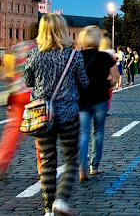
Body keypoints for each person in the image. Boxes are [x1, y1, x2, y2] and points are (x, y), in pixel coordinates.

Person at [24, 14, 89, 215]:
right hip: (68, 113)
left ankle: (47, 209)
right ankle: (60, 200)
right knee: (71, 159)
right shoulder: (73, 56)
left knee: (47, 161)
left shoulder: (34, 55)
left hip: (42, 114)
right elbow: (84, 82)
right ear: (62, 31)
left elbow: (28, 81)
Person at [77, 26, 118, 180]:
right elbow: (115, 78)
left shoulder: (77, 56)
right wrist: (105, 86)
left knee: (83, 134)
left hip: (82, 100)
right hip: (100, 98)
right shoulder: (105, 57)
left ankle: (82, 169)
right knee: (98, 133)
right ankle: (95, 166)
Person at [0, 40, 37, 179]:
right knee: (42, 130)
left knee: (12, 131)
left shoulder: (19, 47)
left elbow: (10, 74)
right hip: (33, 94)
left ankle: (2, 161)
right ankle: (43, 166)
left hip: (17, 94)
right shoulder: (39, 49)